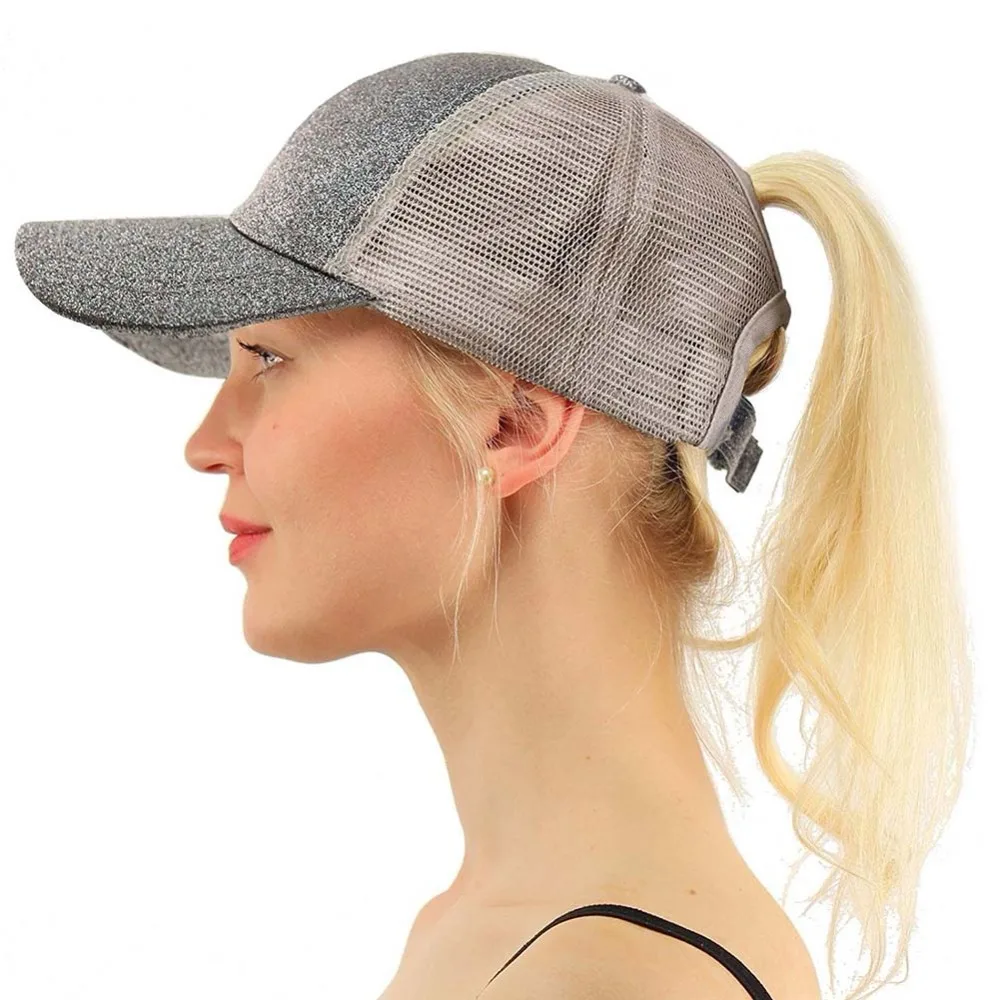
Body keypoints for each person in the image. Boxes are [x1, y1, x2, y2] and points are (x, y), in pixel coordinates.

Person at [13, 51, 973, 1000]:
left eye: (268, 358)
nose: (205, 444)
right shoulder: (494, 933)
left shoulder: (607, 983)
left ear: (514, 425)